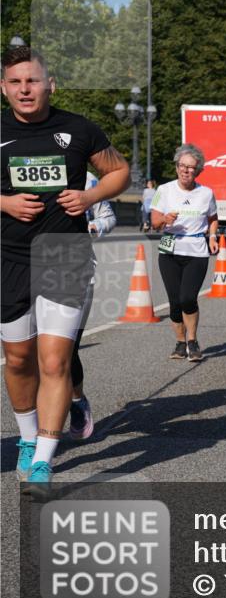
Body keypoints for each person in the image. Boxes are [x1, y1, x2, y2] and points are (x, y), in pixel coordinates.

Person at [1, 46, 130, 493]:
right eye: (15, 82)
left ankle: (42, 461)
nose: (25, 89)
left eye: (32, 80)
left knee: (54, 360)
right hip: (9, 257)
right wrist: (4, 202)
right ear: (4, 88)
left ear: (49, 84)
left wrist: (90, 198)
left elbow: (120, 173)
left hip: (64, 255)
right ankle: (28, 435)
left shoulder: (78, 129)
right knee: (18, 359)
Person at [150, 144, 219, 363]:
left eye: (191, 167)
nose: (185, 171)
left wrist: (213, 236)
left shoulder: (206, 193)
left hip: (196, 249)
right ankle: (180, 342)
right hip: (170, 247)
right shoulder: (164, 190)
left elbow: (213, 218)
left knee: (188, 298)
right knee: (175, 302)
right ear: (177, 166)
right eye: (182, 166)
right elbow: (154, 223)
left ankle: (192, 340)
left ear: (198, 170)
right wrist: (164, 220)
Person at [67, 171, 119, 441]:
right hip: (26, 269)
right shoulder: (20, 165)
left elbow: (108, 216)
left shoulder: (86, 179)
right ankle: (34, 430)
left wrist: (94, 227)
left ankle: (76, 401)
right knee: (28, 353)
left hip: (76, 271)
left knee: (66, 348)